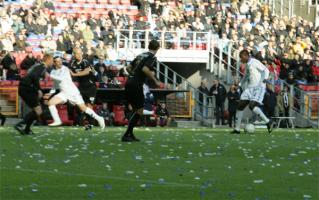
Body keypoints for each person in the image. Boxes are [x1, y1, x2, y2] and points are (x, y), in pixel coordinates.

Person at [45, 56, 105, 129]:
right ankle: (57, 121)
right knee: (50, 103)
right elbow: (56, 84)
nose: (60, 62)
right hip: (63, 93)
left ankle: (99, 118)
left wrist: (49, 75)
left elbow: (61, 78)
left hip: (72, 93)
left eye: (60, 61)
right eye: (57, 61)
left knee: (83, 108)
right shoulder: (53, 72)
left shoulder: (65, 69)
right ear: (54, 63)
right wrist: (50, 93)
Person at [121, 40, 161, 142]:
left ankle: (129, 134)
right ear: (158, 48)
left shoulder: (141, 55)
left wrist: (134, 75)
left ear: (148, 46)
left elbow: (128, 67)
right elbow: (145, 69)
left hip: (129, 82)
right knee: (139, 110)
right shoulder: (152, 57)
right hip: (136, 84)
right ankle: (127, 134)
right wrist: (155, 80)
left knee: (136, 109)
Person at [231, 50, 273, 134]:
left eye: (241, 57)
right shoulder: (247, 64)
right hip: (249, 88)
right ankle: (237, 129)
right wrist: (239, 85)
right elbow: (246, 76)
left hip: (259, 87)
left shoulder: (255, 62)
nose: (241, 59)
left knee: (252, 105)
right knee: (240, 105)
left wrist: (265, 79)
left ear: (246, 56)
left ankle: (268, 121)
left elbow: (266, 70)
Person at [14, 54, 53, 135]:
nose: (52, 62)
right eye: (52, 60)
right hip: (27, 88)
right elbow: (34, 76)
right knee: (38, 110)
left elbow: (32, 75)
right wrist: (39, 89)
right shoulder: (42, 67)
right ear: (48, 60)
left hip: (24, 87)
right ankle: (21, 124)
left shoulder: (37, 65)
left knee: (36, 110)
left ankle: (27, 130)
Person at [69, 47, 98, 130]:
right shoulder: (72, 63)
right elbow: (69, 72)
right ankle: (81, 121)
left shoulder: (85, 61)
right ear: (74, 54)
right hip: (81, 87)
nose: (78, 55)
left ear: (81, 53)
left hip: (90, 86)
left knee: (89, 106)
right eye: (76, 53)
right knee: (79, 105)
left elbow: (86, 71)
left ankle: (90, 124)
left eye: (79, 53)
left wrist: (74, 75)